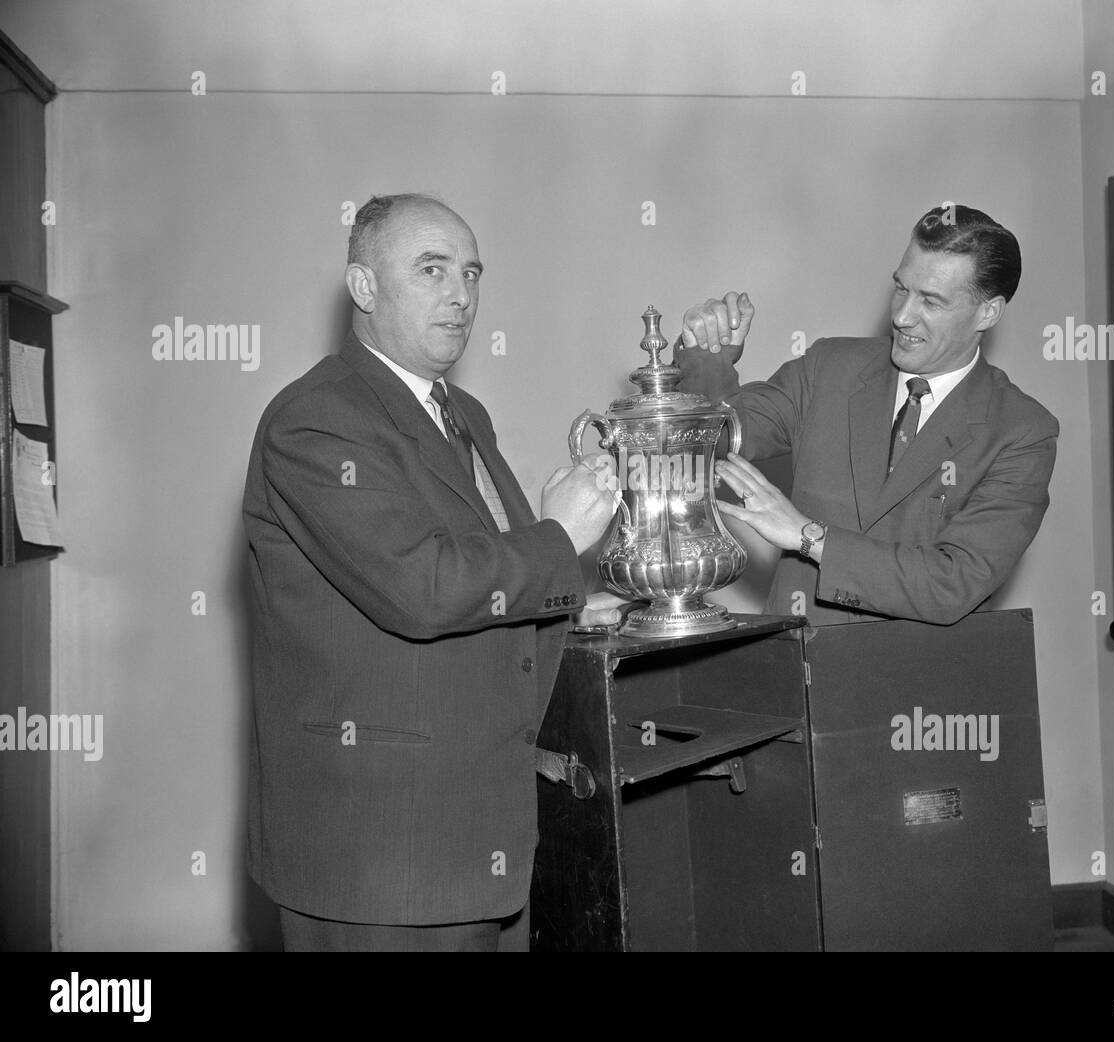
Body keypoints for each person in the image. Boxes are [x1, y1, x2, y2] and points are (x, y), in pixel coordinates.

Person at [242, 193, 619, 951]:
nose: (461, 293)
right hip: (380, 855)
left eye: (472, 272)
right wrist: (556, 540)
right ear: (364, 288)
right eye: (432, 269)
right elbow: (424, 588)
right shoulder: (314, 419)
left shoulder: (460, 412)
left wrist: (583, 595)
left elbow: (492, 593)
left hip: (479, 834)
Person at [675, 204, 1058, 626]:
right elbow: (716, 440)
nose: (901, 315)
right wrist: (707, 358)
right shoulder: (829, 367)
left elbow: (953, 582)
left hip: (913, 685)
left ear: (988, 312)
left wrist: (808, 537)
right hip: (792, 671)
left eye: (930, 300)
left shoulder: (1022, 431)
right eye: (901, 288)